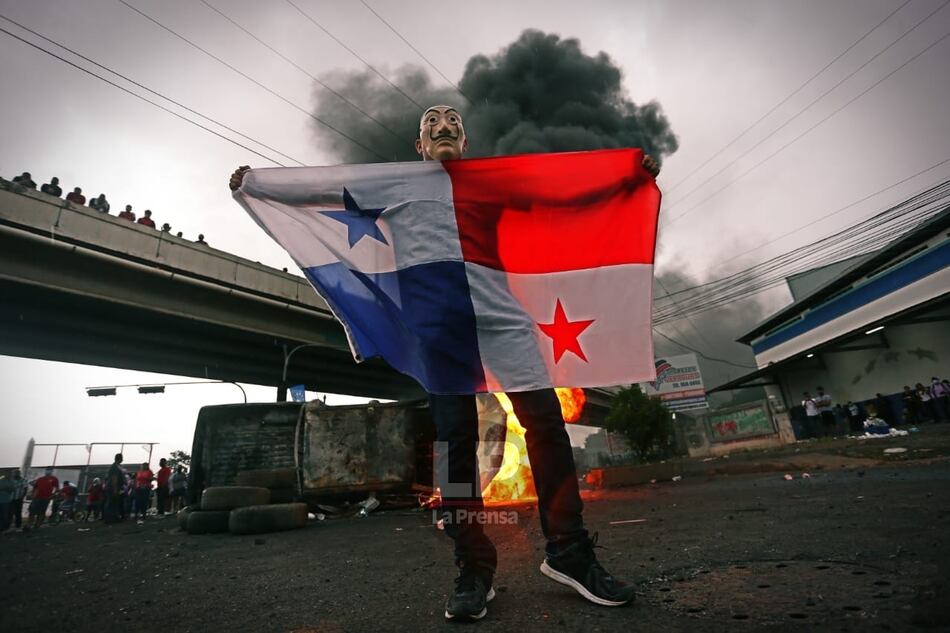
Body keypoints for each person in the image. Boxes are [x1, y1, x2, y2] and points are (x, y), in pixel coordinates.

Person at [229, 105, 661, 621]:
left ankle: (569, 551)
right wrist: (257, 183)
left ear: (464, 138)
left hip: (504, 323)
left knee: (546, 427)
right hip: (439, 333)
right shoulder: (396, 182)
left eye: (452, 120)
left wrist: (622, 177)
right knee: (454, 447)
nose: (443, 125)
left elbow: (557, 189)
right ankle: (474, 565)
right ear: (419, 145)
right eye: (431, 121)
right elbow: (324, 187)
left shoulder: (487, 182)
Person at [104, 453, 125, 523]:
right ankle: (109, 518)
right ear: (120, 459)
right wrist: (115, 489)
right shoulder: (115, 467)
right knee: (111, 503)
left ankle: (113, 517)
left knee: (114, 503)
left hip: (113, 487)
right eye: (121, 458)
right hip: (113, 488)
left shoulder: (116, 466)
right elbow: (114, 478)